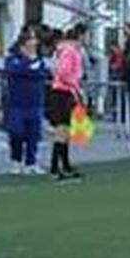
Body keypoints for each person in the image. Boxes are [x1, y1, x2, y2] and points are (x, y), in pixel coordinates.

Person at [3, 32, 47, 176]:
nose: (33, 48)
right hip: (16, 103)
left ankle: (31, 163)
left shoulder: (39, 60)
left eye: (34, 45)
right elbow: (15, 71)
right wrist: (29, 66)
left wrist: (29, 70)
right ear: (22, 46)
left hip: (35, 102)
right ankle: (16, 160)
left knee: (33, 135)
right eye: (30, 45)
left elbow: (41, 74)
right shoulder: (12, 59)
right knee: (16, 132)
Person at [47, 26, 86, 181]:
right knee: (61, 130)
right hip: (62, 92)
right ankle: (55, 167)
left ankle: (64, 164)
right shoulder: (70, 51)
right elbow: (63, 72)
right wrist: (75, 85)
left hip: (64, 92)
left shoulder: (64, 50)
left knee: (65, 130)